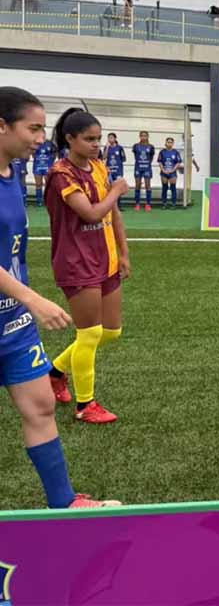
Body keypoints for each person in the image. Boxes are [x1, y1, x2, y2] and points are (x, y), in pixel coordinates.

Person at [0, 87, 120, 509]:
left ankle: (63, 501)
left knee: (41, 407)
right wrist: (32, 298)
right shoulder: (56, 174)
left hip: (11, 321)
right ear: (1, 126)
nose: (39, 137)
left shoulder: (13, 174)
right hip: (23, 303)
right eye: (32, 128)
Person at [45, 107, 131, 425]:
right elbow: (92, 213)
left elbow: (113, 215)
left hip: (104, 257)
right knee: (91, 333)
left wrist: (123, 252)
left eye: (98, 139)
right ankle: (86, 405)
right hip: (76, 261)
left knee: (111, 331)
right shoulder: (61, 175)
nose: (96, 145)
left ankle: (54, 372)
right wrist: (117, 191)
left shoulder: (99, 167)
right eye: (89, 139)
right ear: (70, 139)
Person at [157, 137, 183, 209]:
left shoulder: (175, 152)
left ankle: (173, 204)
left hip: (172, 173)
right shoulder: (162, 152)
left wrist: (173, 170)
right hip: (164, 173)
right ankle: (164, 203)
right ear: (166, 143)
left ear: (173, 143)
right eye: (168, 142)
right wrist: (163, 170)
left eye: (171, 142)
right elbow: (159, 162)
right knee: (164, 188)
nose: (169, 143)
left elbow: (178, 163)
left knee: (173, 188)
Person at [131, 131, 154, 212]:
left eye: (145, 136)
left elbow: (151, 157)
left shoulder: (151, 147)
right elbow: (135, 156)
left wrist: (146, 164)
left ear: (148, 137)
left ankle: (148, 204)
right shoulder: (136, 146)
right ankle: (137, 204)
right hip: (138, 168)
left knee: (148, 185)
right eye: (142, 136)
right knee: (137, 185)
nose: (143, 137)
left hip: (147, 168)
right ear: (139, 136)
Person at [30, 137, 55, 208]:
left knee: (48, 185)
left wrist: (50, 161)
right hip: (38, 166)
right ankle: (39, 201)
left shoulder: (49, 143)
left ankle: (49, 201)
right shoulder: (35, 143)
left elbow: (55, 153)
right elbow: (32, 154)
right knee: (38, 184)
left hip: (47, 167)